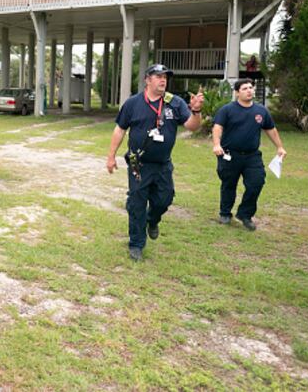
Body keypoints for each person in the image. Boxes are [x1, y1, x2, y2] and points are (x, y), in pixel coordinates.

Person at [106, 64, 204, 261]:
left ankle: (152, 220)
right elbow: (120, 129)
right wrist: (111, 156)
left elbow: (192, 127)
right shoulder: (133, 103)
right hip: (138, 164)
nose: (163, 80)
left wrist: (196, 111)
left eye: (165, 77)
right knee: (137, 203)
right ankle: (136, 244)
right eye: (158, 76)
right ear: (147, 80)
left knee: (164, 199)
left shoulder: (174, 103)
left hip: (162, 164)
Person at [212, 78, 286, 231]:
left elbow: (270, 129)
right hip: (229, 155)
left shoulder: (261, 111)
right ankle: (225, 213)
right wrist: (217, 144)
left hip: (252, 156)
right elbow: (217, 127)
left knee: (256, 183)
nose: (249, 91)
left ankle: (245, 214)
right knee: (229, 184)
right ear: (237, 92)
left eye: (251, 88)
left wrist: (279, 147)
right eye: (245, 88)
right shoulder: (227, 110)